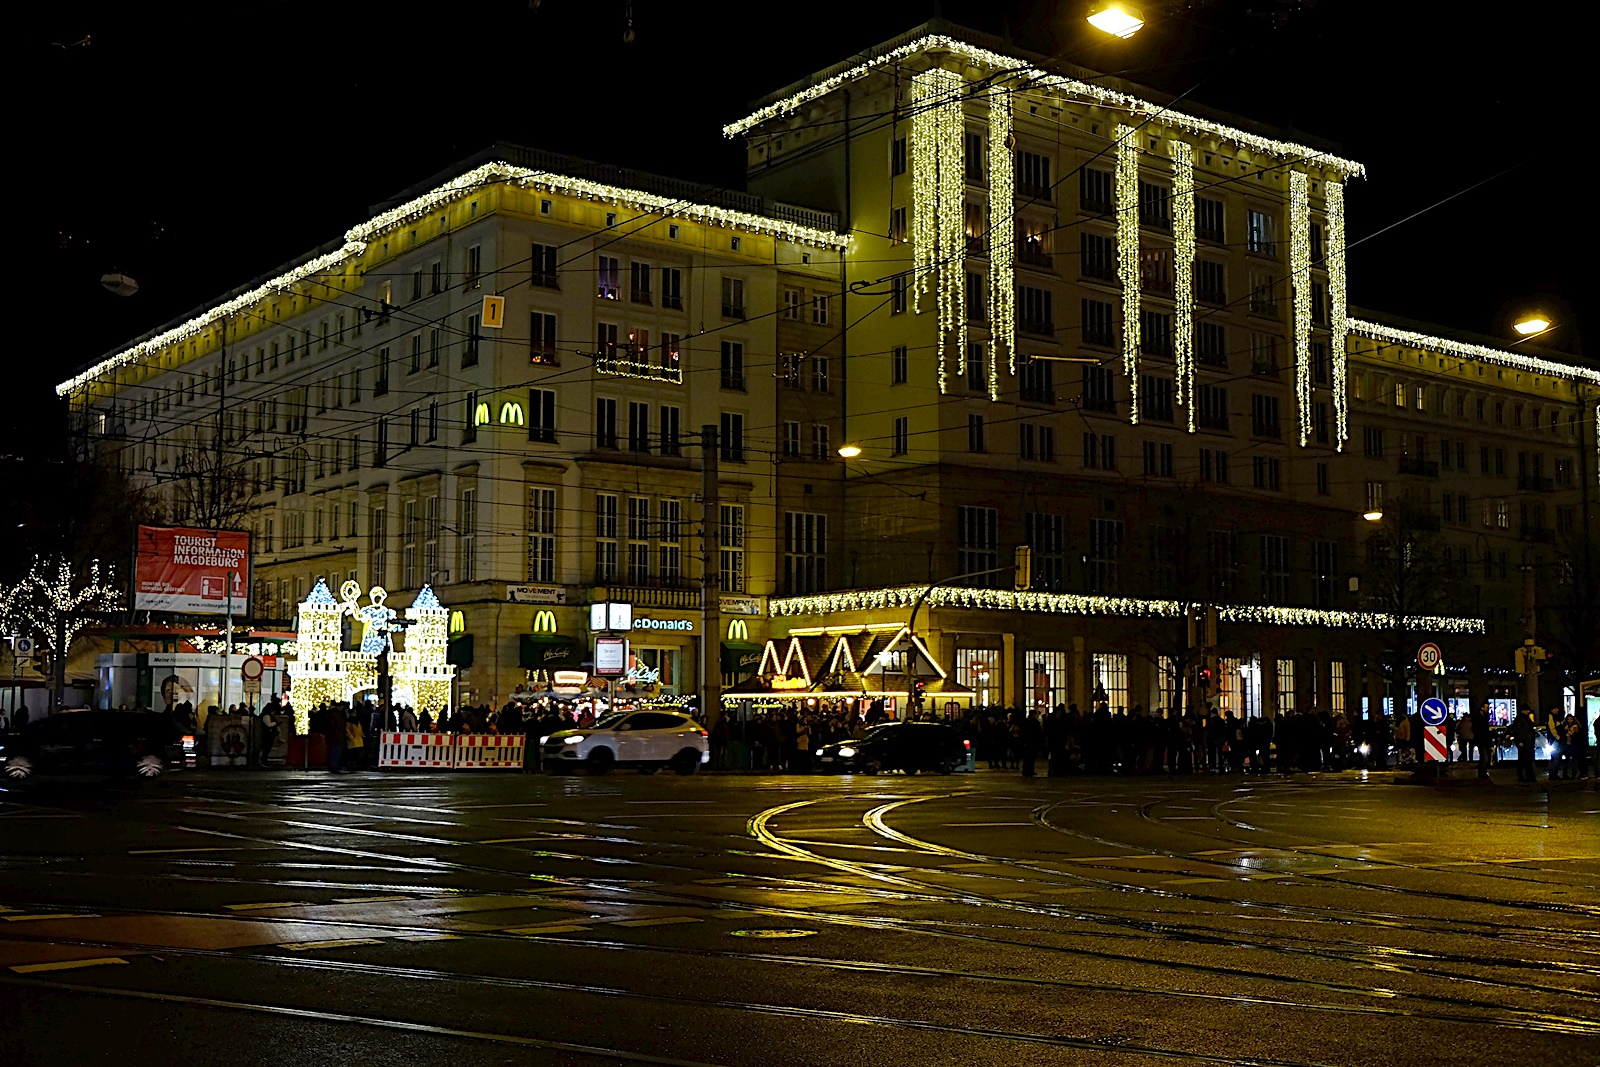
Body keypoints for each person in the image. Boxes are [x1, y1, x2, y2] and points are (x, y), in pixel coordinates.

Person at [1509, 706, 1537, 782]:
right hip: (1525, 742)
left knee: (1524, 760)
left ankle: (1525, 776)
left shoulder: (1521, 719)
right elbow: (1520, 731)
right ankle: (1526, 776)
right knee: (1525, 760)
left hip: (1526, 742)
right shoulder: (1522, 719)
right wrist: (1520, 741)